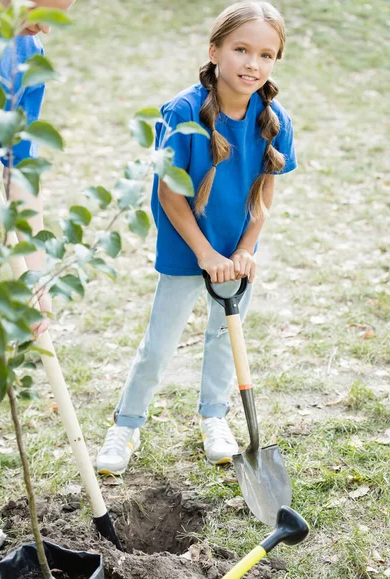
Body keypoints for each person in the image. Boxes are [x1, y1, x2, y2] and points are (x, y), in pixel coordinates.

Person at [97, 1, 297, 475]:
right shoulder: (184, 111)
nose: (252, 63)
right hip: (188, 246)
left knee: (225, 338)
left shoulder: (275, 120)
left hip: (235, 250)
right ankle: (126, 426)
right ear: (215, 50)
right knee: (160, 343)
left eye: (266, 55)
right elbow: (169, 193)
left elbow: (265, 194)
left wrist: (245, 248)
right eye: (241, 50)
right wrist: (204, 253)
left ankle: (214, 418)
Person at [0, 0, 76, 335]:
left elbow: (21, 174)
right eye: (40, 11)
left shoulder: (26, 52)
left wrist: (35, 278)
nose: (46, 28)